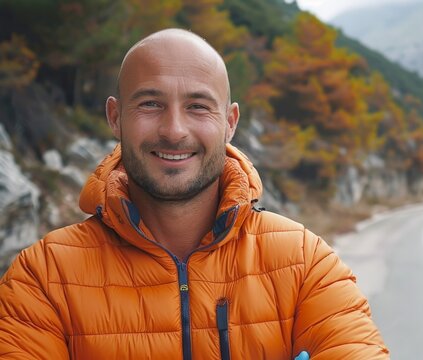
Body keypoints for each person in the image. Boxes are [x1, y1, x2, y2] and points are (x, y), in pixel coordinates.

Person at [0, 29, 389, 359]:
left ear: (230, 122)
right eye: (150, 104)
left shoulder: (305, 264)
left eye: (198, 106)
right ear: (116, 118)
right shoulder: (44, 279)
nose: (174, 130)